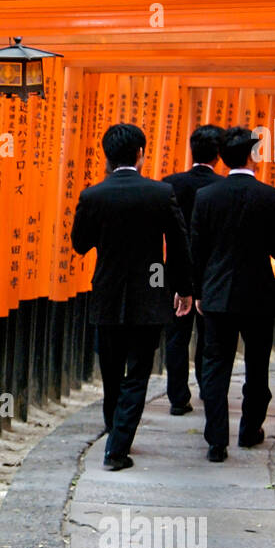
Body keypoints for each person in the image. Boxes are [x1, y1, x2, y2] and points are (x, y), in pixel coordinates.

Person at [189, 126, 275, 463]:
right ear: (251, 156)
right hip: (258, 295)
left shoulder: (206, 197)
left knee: (215, 367)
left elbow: (197, 250)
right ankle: (249, 431)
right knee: (257, 366)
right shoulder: (270, 196)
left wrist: (197, 291)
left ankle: (216, 442)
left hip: (217, 295)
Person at [72, 123, 193, 471]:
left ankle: (114, 429)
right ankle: (117, 446)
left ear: (106, 155)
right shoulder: (160, 193)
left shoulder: (92, 196)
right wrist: (183, 289)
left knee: (110, 370)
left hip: (107, 296)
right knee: (138, 374)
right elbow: (180, 246)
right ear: (141, 154)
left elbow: (80, 244)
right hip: (149, 296)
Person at [161, 125, 225, 416]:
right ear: (218, 155)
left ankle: (177, 397)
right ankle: (206, 386)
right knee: (209, 334)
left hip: (174, 269)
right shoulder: (222, 188)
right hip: (213, 271)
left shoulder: (170, 184)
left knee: (176, 335)